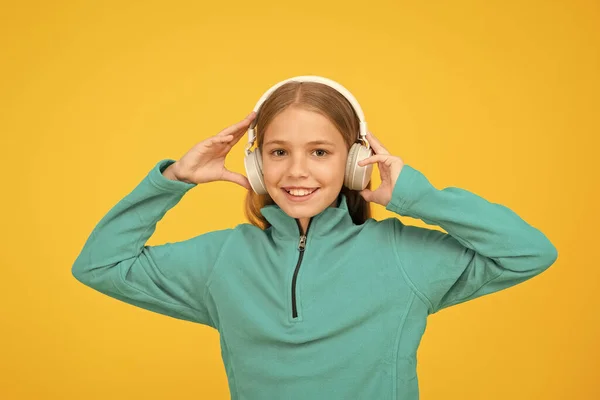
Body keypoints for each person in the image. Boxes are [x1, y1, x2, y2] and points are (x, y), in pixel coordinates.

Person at [72, 76, 558, 400]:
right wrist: (174, 179)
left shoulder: (402, 254)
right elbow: (100, 266)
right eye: (279, 151)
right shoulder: (223, 258)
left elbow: (530, 252)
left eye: (321, 152)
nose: (297, 171)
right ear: (256, 164)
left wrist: (416, 196)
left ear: (353, 160)